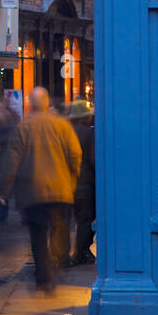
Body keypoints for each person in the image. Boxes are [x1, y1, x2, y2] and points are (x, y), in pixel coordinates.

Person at [0, 87, 82, 294]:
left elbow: (11, 161)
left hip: (32, 191)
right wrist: (72, 179)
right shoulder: (63, 125)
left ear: (30, 104)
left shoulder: (23, 127)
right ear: (46, 102)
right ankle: (58, 262)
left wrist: (4, 190)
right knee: (60, 228)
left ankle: (44, 277)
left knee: (37, 235)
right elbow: (75, 154)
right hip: (60, 189)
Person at [66, 99, 96, 265]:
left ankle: (64, 256)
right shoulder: (88, 134)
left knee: (65, 221)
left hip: (66, 182)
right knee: (85, 219)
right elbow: (93, 159)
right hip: (84, 183)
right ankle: (81, 251)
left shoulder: (65, 131)